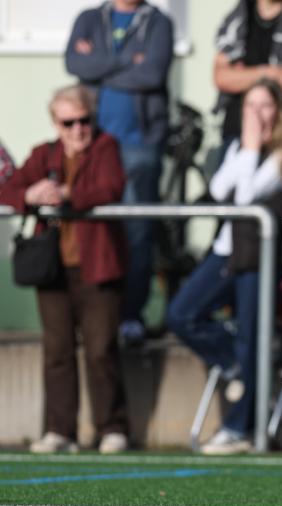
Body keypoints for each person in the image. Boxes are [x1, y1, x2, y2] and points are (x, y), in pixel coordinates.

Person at [166, 78, 282, 455]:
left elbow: (245, 197)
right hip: (226, 252)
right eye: (249, 106)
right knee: (182, 314)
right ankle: (230, 363)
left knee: (253, 340)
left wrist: (248, 148)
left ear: (278, 112)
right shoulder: (237, 148)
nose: (256, 115)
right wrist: (244, 148)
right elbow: (218, 193)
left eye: (264, 106)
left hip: (259, 260)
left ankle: (238, 427)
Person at [0, 85, 129, 453]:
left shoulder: (106, 148)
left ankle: (112, 428)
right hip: (53, 269)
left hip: (98, 267)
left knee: (101, 349)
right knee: (56, 351)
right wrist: (29, 195)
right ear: (55, 124)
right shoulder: (45, 154)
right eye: (68, 122)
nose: (77, 130)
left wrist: (68, 195)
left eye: (83, 120)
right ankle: (61, 431)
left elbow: (110, 187)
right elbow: (8, 188)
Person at [65, 0, 174, 346]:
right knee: (93, 231)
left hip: (139, 144)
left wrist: (99, 65)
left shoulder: (158, 22)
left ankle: (130, 316)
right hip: (94, 144)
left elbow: (153, 73)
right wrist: (128, 60)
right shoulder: (89, 18)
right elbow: (74, 63)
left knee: (137, 234)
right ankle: (94, 317)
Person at [213, 0, 282, 150]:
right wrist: (271, 72)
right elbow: (222, 78)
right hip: (236, 133)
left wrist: (243, 75)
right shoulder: (236, 19)